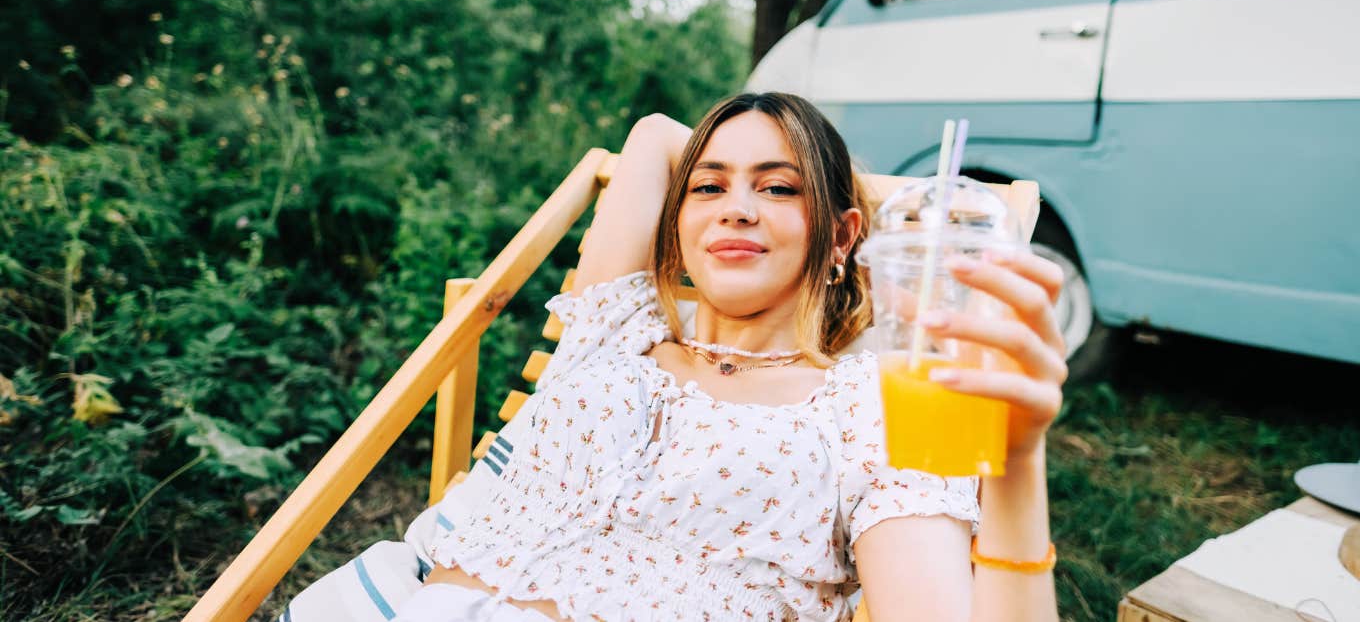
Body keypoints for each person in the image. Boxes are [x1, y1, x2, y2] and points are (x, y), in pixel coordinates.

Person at [281, 93, 1067, 622]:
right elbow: (655, 135)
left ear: (841, 235)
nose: (735, 205)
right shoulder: (617, 328)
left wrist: (1017, 460)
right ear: (679, 221)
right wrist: (770, 170)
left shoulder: (871, 403)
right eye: (708, 187)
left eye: (781, 188)